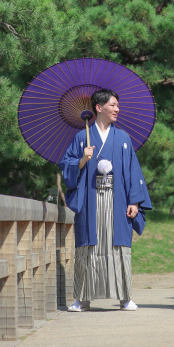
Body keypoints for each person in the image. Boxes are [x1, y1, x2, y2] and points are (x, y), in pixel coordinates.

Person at [59, 89, 153, 311]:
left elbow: (133, 172)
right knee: (88, 246)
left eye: (117, 105)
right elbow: (66, 165)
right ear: (98, 108)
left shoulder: (123, 138)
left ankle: (125, 297)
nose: (117, 109)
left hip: (117, 199)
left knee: (118, 245)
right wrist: (82, 159)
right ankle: (82, 299)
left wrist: (134, 201)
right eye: (112, 105)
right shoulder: (82, 136)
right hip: (91, 199)